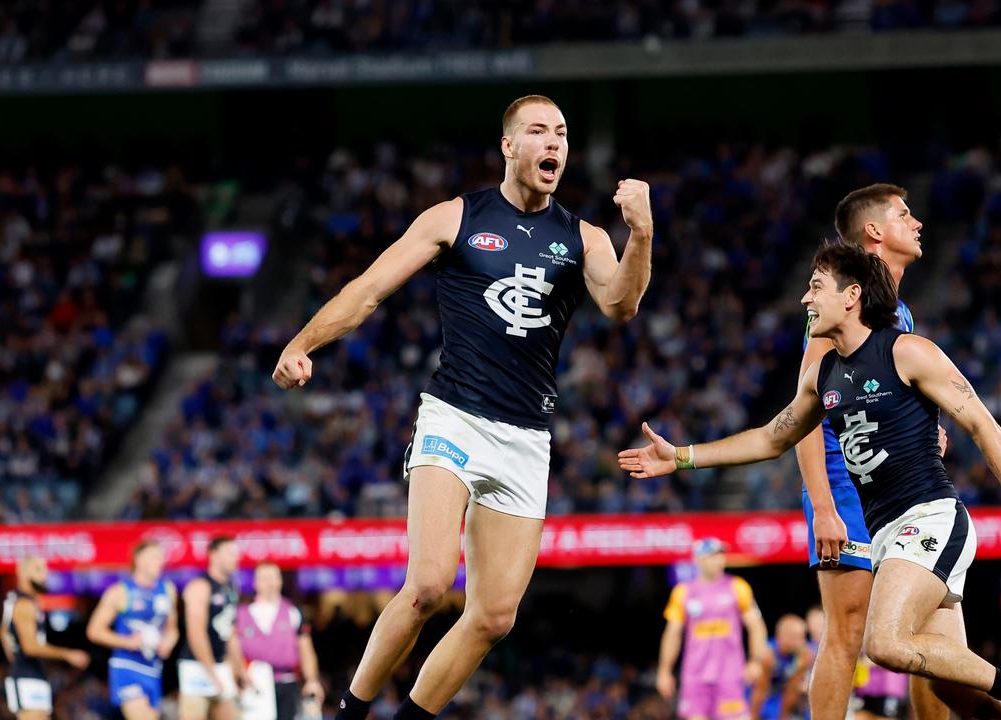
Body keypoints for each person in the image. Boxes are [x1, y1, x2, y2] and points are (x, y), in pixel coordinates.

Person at [272, 94, 653, 720]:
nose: (554, 143)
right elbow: (368, 290)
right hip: (454, 416)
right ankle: (349, 712)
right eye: (538, 132)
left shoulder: (583, 236)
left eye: (561, 133)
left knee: (495, 617)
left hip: (527, 433)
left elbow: (620, 304)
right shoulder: (455, 217)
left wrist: (640, 233)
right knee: (426, 585)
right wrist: (303, 342)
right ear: (508, 146)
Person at [619, 242, 1001, 719]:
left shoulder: (907, 351)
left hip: (930, 519)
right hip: (886, 535)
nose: (804, 300)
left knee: (884, 643)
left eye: (815, 287)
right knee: (951, 688)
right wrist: (682, 457)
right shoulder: (822, 376)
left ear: (851, 295)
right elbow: (771, 439)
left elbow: (982, 423)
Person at [796, 183, 1001, 720]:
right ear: (874, 231)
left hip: (901, 496)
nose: (917, 223)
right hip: (849, 489)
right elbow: (803, 414)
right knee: (848, 633)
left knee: (930, 646)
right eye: (904, 214)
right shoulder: (841, 300)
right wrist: (823, 506)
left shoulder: (897, 312)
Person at [656, 538, 768, 720]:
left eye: (721, 555)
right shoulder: (683, 592)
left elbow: (757, 627)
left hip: (730, 673)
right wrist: (664, 670)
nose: (719, 560)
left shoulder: (738, 587)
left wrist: (755, 660)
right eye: (712, 556)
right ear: (698, 560)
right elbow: (672, 634)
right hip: (695, 675)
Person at [87, 541, 179, 720]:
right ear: (139, 560)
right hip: (127, 667)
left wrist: (169, 642)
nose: (160, 562)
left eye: (161, 558)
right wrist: (127, 642)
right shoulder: (120, 592)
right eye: (154, 557)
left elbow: (172, 629)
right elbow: (94, 631)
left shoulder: (167, 589)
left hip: (153, 668)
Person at [0, 558, 91, 720]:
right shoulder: (24, 604)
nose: (45, 574)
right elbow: (30, 646)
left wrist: (14, 658)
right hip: (27, 677)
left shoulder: (18, 601)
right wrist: (68, 654)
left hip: (31, 674)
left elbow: (3, 632)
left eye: (44, 569)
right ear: (23, 574)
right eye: (38, 569)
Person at [236, 562, 323, 720]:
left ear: (280, 581)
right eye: (264, 578)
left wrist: (311, 680)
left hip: (286, 683)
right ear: (256, 583)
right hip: (254, 683)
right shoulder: (241, 614)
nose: (269, 583)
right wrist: (238, 676)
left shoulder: (293, 612)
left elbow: (306, 650)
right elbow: (232, 650)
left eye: (273, 577)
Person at [179, 536, 246, 720]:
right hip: (196, 667)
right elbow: (196, 633)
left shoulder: (232, 587)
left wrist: (240, 670)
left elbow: (230, 632)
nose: (236, 558)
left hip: (220, 666)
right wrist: (211, 673)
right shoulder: (200, 586)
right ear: (214, 555)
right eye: (230, 553)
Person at [754, 615, 814, 720]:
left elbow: (792, 689)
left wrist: (783, 717)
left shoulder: (805, 655)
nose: (802, 642)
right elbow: (760, 690)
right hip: (769, 695)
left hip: (787, 695)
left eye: (803, 636)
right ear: (783, 637)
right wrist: (753, 716)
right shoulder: (769, 654)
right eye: (797, 637)